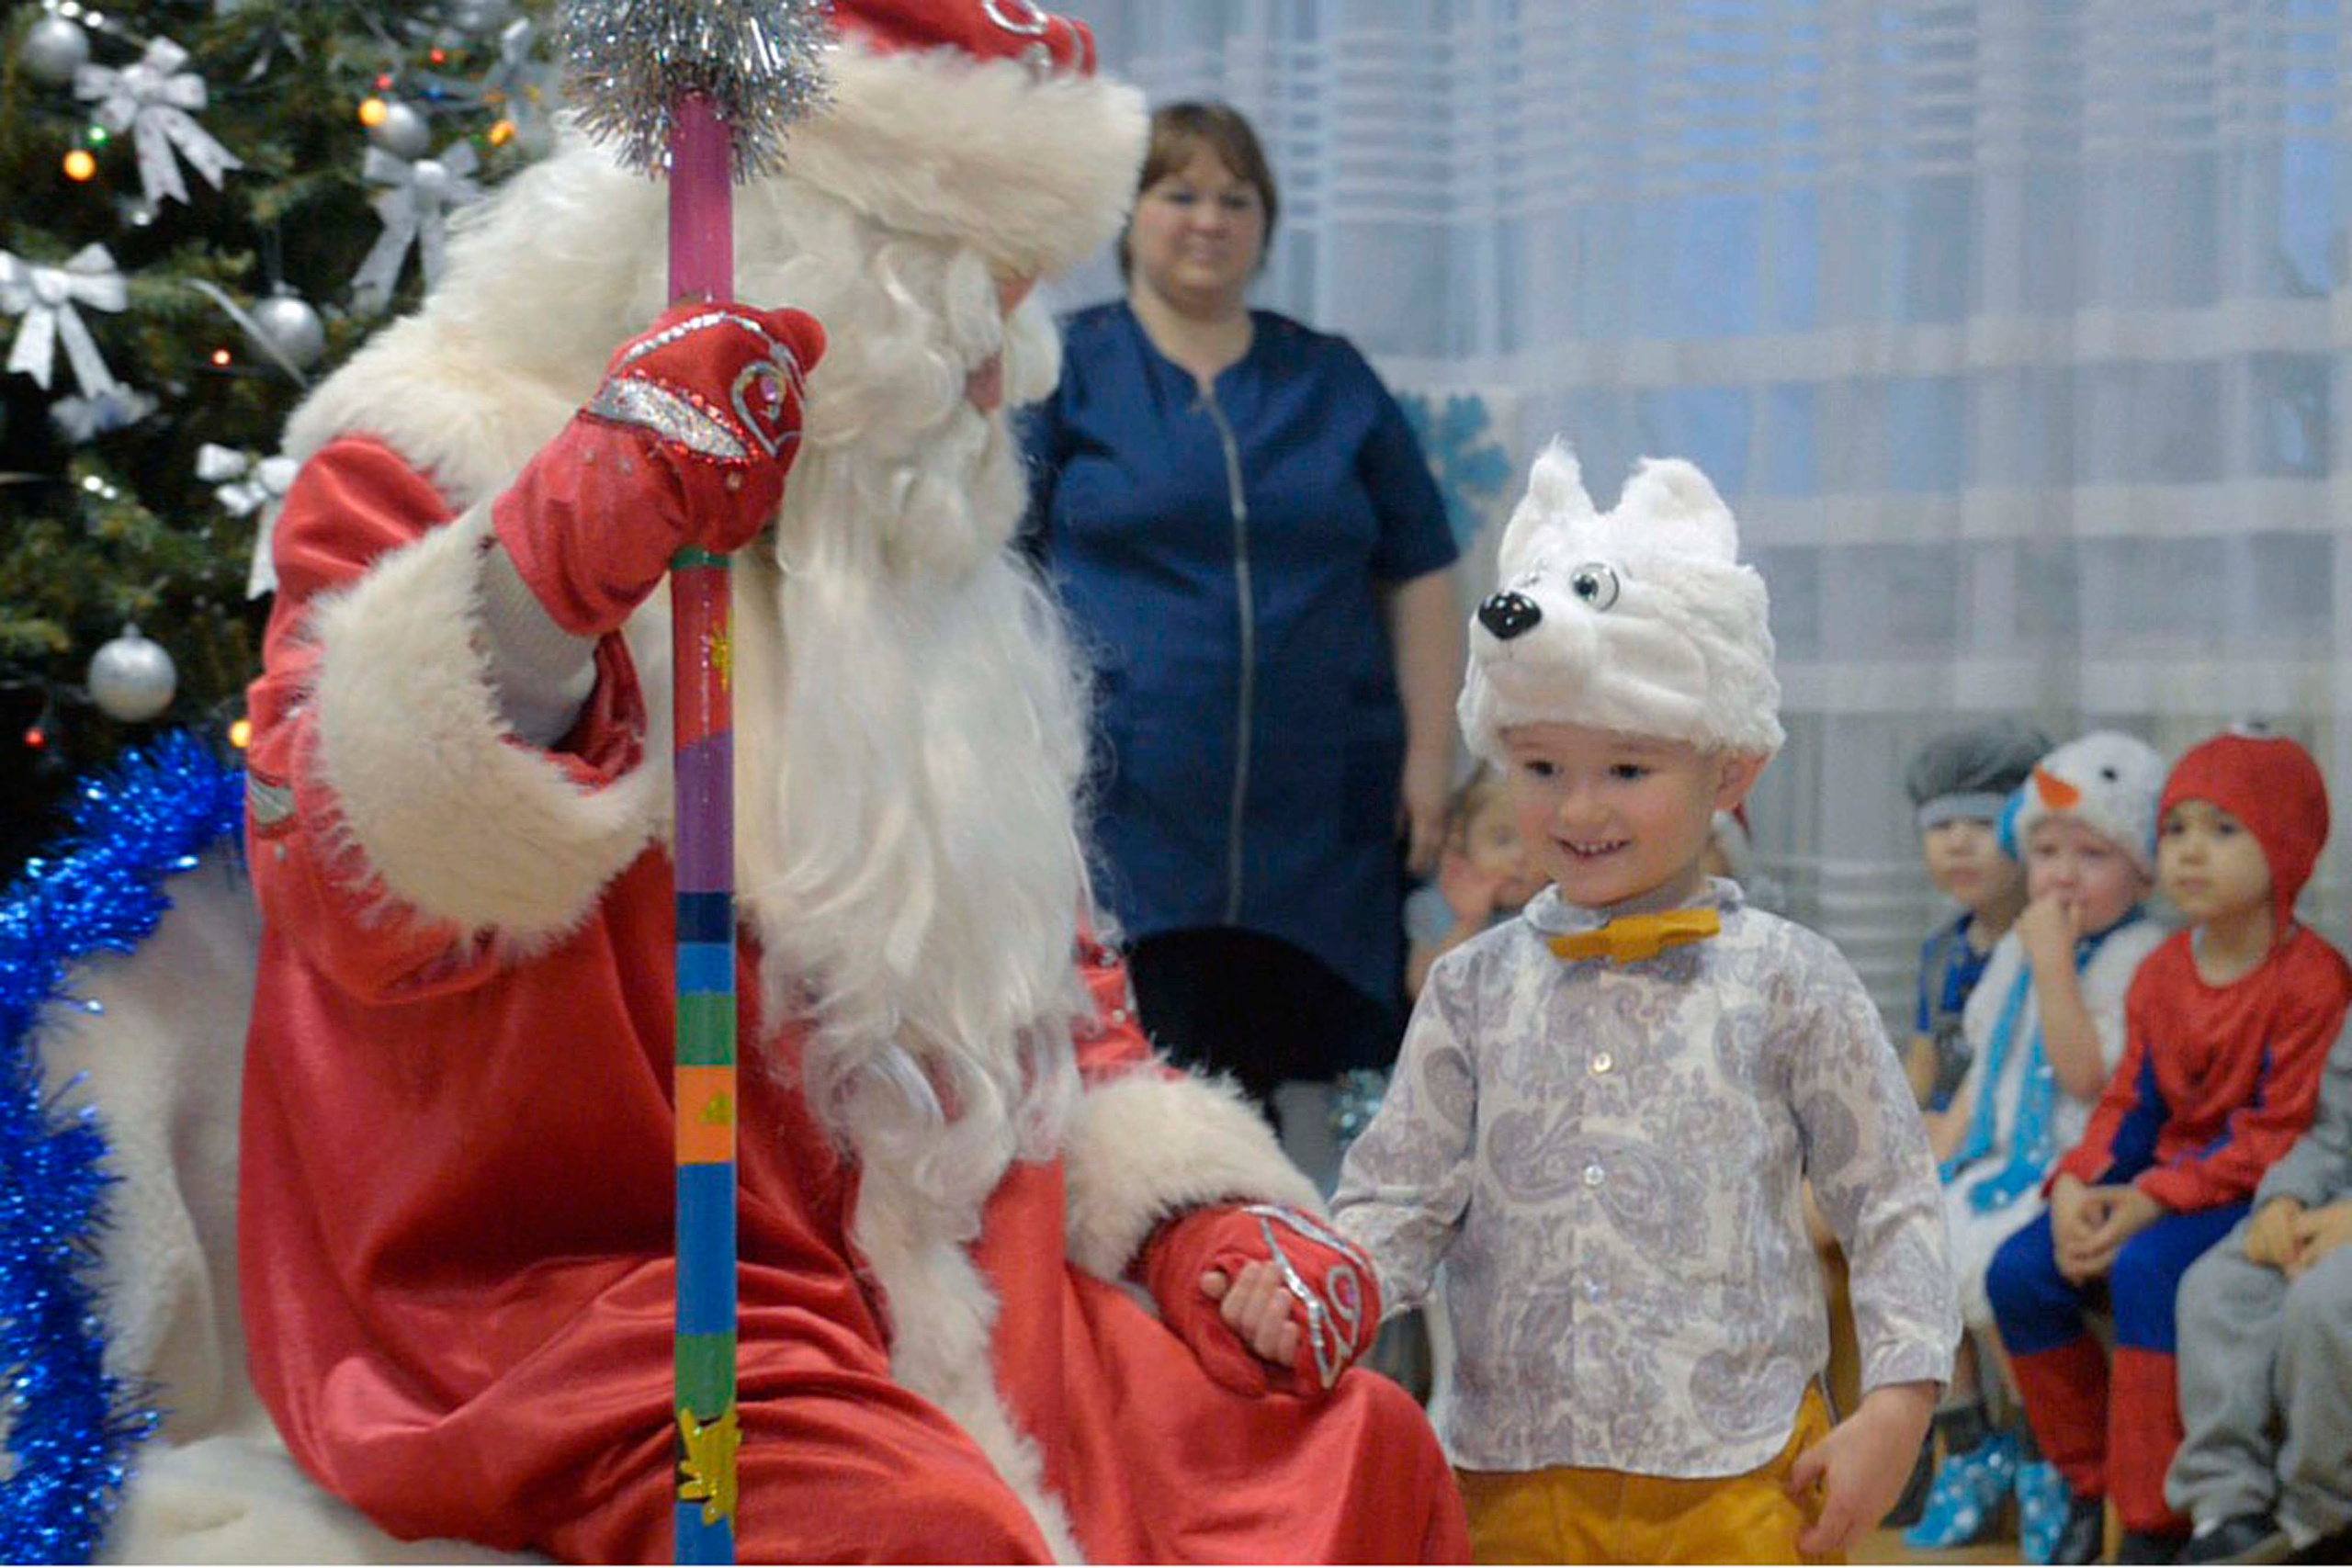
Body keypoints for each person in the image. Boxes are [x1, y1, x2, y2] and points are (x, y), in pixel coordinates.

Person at [232, 6, 1468, 1562]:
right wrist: (561, 558)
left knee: (1349, 1447)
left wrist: (1190, 1218)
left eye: (1031, 289)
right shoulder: (438, 450)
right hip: (600, 1287)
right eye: (973, 286)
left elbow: (1047, 979)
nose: (1009, 360)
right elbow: (343, 888)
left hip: (960, 1263)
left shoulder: (902, 526)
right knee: (916, 1536)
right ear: (806, 241)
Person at [1324, 443, 1959, 1564]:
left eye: (1627, 770)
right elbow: (1396, 1202)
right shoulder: (1473, 990)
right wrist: (1314, 1306)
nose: (1580, 808)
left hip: (1741, 1479)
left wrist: (1899, 1405)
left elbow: (1893, 1203)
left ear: (1731, 772)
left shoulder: (1790, 980)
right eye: (1539, 768)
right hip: (1504, 1481)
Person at [1021, 99, 1462, 1116]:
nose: (1208, 219)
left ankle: (1299, 1274)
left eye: (1236, 197)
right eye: (1179, 192)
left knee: (1298, 1103)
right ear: (1130, 212)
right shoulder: (1063, 369)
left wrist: (1432, 763)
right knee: (1135, 1101)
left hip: (1323, 830)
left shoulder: (1333, 379)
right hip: (1121, 819)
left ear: (1266, 222)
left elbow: (1425, 571)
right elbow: (999, 580)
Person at [1987, 729, 2352, 1565]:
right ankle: (2089, 1484)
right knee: (2020, 1272)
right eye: (2178, 828)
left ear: (2287, 847)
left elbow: (2279, 1134)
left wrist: (2153, 1199)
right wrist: (2080, 1182)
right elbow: (2129, 1105)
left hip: (2239, 1192)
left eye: (2225, 830)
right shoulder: (2161, 972)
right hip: (2162, 1182)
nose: (2191, 852)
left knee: (2149, 1268)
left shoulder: (2313, 980)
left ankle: (2153, 1516)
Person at [1901, 731, 2169, 1558]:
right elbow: (1985, 1066)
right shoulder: (2020, 943)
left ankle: (2056, 1460)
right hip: (1994, 1154)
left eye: (2092, 853)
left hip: (2072, 1160)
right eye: (2046, 849)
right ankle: (1974, 1439)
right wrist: (1934, 1144)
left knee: (2004, 1266)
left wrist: (2054, 966)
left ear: (2143, 869)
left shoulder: (2137, 956)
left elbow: (2088, 1076)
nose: (2060, 872)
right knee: (1910, 1237)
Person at [2169, 1017, 2352, 1566]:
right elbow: (2330, 1133)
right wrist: (2284, 1200)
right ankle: (2229, 1511)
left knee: (2325, 1301)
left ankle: (2322, 1523)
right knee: (2219, 1288)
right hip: (2333, 1204)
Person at [1905, 718, 2051, 1112]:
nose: (1958, 842)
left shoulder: (2052, 945)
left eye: (1985, 823)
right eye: (1941, 824)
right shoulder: (1941, 951)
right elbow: (1922, 1066)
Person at [1403, 763, 1544, 998]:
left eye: (1537, 845)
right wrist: (1469, 924)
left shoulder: (1560, 915)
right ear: (1462, 840)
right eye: (1502, 840)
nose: (1520, 857)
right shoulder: (1434, 908)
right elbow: (1423, 990)